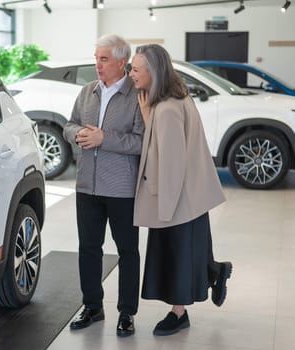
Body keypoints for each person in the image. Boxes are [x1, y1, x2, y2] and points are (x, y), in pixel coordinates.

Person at [129, 44, 233, 336]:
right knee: (187, 250)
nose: (132, 74)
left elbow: (171, 162)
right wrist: (149, 114)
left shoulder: (167, 110)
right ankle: (213, 271)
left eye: (136, 69)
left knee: (175, 255)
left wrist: (165, 207)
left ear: (154, 72)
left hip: (176, 198)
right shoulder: (176, 98)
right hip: (191, 197)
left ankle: (179, 314)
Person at [63, 34, 144, 337]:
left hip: (121, 188)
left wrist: (103, 139)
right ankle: (93, 307)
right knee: (88, 249)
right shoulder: (87, 92)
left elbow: (141, 141)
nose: (97, 64)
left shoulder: (138, 95)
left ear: (122, 62)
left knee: (127, 251)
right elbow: (69, 124)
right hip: (86, 186)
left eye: (104, 59)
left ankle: (127, 312)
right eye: (96, 57)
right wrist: (78, 134)